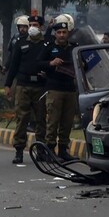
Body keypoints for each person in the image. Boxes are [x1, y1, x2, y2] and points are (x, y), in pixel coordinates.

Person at [5, 15, 48, 164]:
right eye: (30, 25)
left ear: (41, 27)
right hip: (23, 85)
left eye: (35, 25)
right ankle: (19, 151)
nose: (32, 27)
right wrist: (8, 84)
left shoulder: (47, 43)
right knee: (22, 118)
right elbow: (14, 65)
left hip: (40, 86)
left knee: (41, 119)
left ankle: (41, 150)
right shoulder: (21, 42)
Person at [39, 14, 79, 161]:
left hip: (70, 89)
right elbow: (38, 63)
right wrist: (51, 63)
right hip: (54, 89)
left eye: (64, 32)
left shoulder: (74, 48)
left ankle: (63, 150)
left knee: (67, 122)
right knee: (53, 121)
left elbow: (84, 65)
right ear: (55, 34)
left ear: (68, 33)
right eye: (59, 32)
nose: (62, 35)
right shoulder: (49, 47)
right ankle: (50, 150)